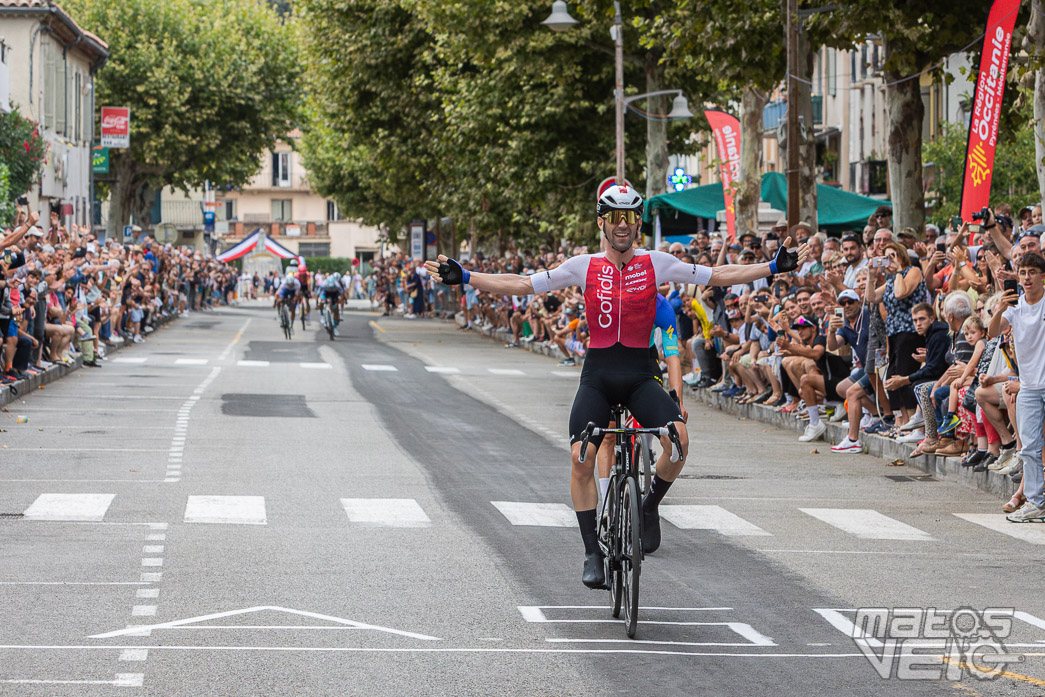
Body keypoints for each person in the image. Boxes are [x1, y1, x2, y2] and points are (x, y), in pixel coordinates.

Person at [426, 185, 808, 588]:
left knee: (679, 440)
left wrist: (773, 267)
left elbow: (718, 276)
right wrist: (466, 277)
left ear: (638, 222)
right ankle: (593, 552)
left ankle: (649, 504)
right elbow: (522, 283)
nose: (622, 225)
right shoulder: (582, 265)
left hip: (641, 375)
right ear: (601, 221)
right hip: (599, 376)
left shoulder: (657, 262)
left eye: (630, 217)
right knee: (579, 458)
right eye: (614, 217)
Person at [988, 252, 1045, 522]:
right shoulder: (1015, 306)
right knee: (1029, 447)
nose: (1026, 277)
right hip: (1029, 387)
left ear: (1042, 276)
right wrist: (999, 307)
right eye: (1022, 272)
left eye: (1032, 272)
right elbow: (992, 332)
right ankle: (1036, 501)